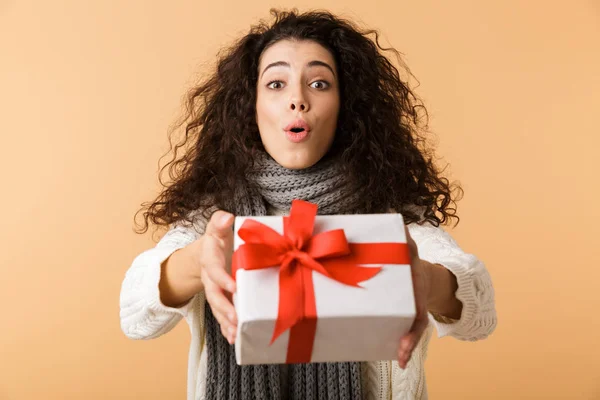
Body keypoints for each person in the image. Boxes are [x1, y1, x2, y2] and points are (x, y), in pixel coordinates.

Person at [119, 9, 497, 400]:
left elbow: (480, 315)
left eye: (319, 83)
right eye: (276, 84)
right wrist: (199, 262)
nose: (297, 100)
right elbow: (134, 315)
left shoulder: (388, 214)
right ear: (251, 105)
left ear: (347, 104)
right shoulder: (216, 217)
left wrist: (424, 279)